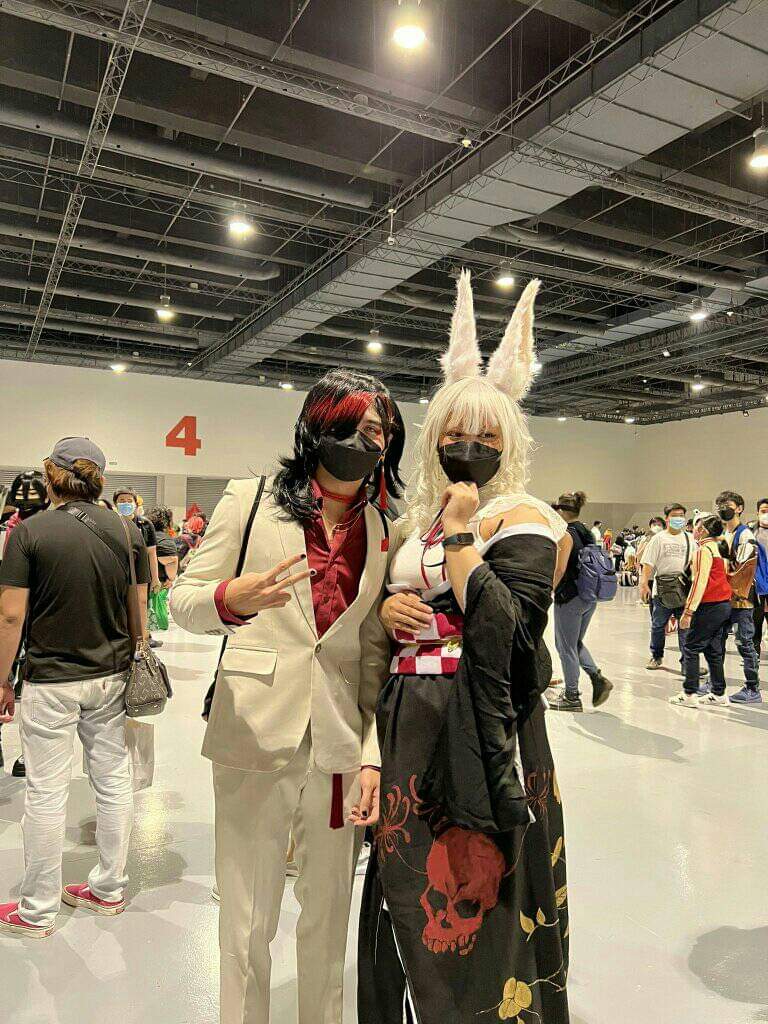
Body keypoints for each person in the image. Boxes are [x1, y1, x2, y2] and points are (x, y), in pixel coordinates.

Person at [358, 272, 569, 1024]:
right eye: (453, 432)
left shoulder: (522, 516)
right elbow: (386, 613)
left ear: (509, 443)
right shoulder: (413, 518)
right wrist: (389, 608)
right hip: (408, 718)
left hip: (483, 728)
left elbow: (510, 628)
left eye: (486, 436)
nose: (467, 446)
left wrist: (460, 534)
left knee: (483, 892)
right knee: (408, 888)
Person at [170, 368, 405, 1024]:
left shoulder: (382, 528)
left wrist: (371, 754)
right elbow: (183, 600)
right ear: (317, 424)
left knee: (329, 919)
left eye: (379, 431)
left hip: (338, 747)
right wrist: (229, 598)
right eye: (353, 426)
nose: (366, 441)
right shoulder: (250, 501)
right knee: (246, 921)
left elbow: (373, 656)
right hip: (254, 732)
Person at [0, 437, 149, 937]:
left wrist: (1, 679)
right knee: (113, 780)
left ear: (51, 478)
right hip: (111, 676)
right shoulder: (127, 531)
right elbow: (138, 607)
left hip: (50, 679)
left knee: (46, 791)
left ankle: (37, 910)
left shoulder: (30, 532)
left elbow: (10, 617)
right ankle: (109, 888)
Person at [0, 470, 50, 778]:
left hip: (36, 615)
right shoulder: (11, 528)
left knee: (32, 684)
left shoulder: (47, 529)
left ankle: (29, 751)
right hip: (19, 613)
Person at [548, 490, 612, 712]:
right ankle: (597, 678)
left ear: (561, 511)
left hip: (569, 597)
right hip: (588, 595)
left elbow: (560, 569)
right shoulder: (587, 532)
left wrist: (548, 591)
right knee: (574, 643)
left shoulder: (566, 535)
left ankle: (572, 696)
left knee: (565, 646)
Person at [669, 515, 732, 707]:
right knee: (713, 650)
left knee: (691, 647)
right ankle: (719, 692)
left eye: (697, 526)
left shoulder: (703, 550)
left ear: (703, 530)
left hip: (709, 605)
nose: (694, 529)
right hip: (723, 604)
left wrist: (688, 611)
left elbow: (699, 582)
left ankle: (689, 693)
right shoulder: (719, 548)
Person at [715, 490, 761, 704]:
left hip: (742, 598)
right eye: (720, 506)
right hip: (723, 597)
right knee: (717, 640)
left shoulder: (745, 536)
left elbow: (744, 571)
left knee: (744, 642)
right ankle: (716, 683)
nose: (724, 509)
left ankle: (752, 688)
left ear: (739, 508)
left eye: (728, 505)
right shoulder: (723, 534)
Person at [640, 503, 694, 673]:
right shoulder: (659, 538)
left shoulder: (690, 538)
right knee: (658, 625)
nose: (679, 519)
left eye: (681, 515)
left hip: (684, 589)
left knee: (685, 626)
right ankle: (656, 656)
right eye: (675, 515)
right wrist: (644, 584)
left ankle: (687, 662)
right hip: (662, 590)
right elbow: (648, 563)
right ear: (667, 518)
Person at [115, 487, 162, 648]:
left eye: (129, 501)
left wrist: (155, 578)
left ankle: (143, 638)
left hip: (141, 571)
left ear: (136, 504)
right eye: (121, 501)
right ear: (115, 504)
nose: (125, 504)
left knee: (142, 604)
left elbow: (152, 553)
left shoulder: (145, 524)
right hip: (119, 571)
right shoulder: (113, 523)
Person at [752, 497, 768, 656]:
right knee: (756, 620)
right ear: (757, 513)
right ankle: (754, 652)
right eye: (763, 511)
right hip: (757, 584)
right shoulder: (751, 533)